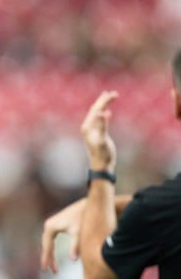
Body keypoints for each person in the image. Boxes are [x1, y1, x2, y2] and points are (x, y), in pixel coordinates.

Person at [40, 49, 181, 279]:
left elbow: (99, 275)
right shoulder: (161, 208)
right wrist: (110, 205)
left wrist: (101, 170)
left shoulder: (161, 208)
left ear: (176, 102)